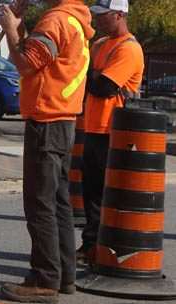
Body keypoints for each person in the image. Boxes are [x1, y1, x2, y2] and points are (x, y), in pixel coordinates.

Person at [0, 0, 94, 303]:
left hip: (47, 118)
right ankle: (64, 275)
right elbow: (41, 58)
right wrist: (22, 28)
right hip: (64, 119)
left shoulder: (56, 21)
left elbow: (26, 62)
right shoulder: (75, 21)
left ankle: (44, 279)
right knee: (58, 202)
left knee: (40, 202)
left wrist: (10, 30)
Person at [77, 0, 144, 264]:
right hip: (94, 128)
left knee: (108, 194)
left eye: (104, 16)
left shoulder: (129, 49)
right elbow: (86, 79)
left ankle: (109, 249)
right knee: (91, 192)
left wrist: (88, 75)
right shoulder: (100, 45)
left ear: (119, 15)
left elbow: (103, 87)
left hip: (115, 132)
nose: (99, 20)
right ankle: (91, 246)